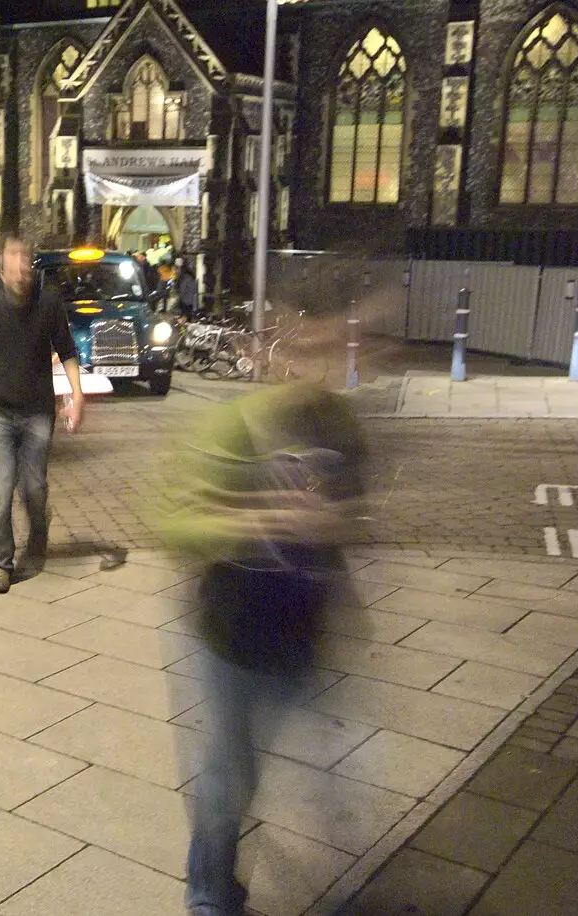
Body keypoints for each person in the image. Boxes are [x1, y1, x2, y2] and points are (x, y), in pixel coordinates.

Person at [157, 383, 367, 916]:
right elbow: (172, 523)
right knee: (231, 771)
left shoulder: (338, 423)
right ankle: (208, 893)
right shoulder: (232, 427)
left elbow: (357, 509)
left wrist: (334, 524)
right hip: (233, 628)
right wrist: (256, 519)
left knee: (332, 782)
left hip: (303, 632)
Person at [0, 234, 84, 594]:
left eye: (26, 257)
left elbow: (67, 350)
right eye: (14, 256)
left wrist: (77, 395)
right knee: (2, 488)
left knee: (35, 487)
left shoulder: (49, 301)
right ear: (2, 263)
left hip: (39, 409)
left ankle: (39, 528)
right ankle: (0, 565)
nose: (22, 264)